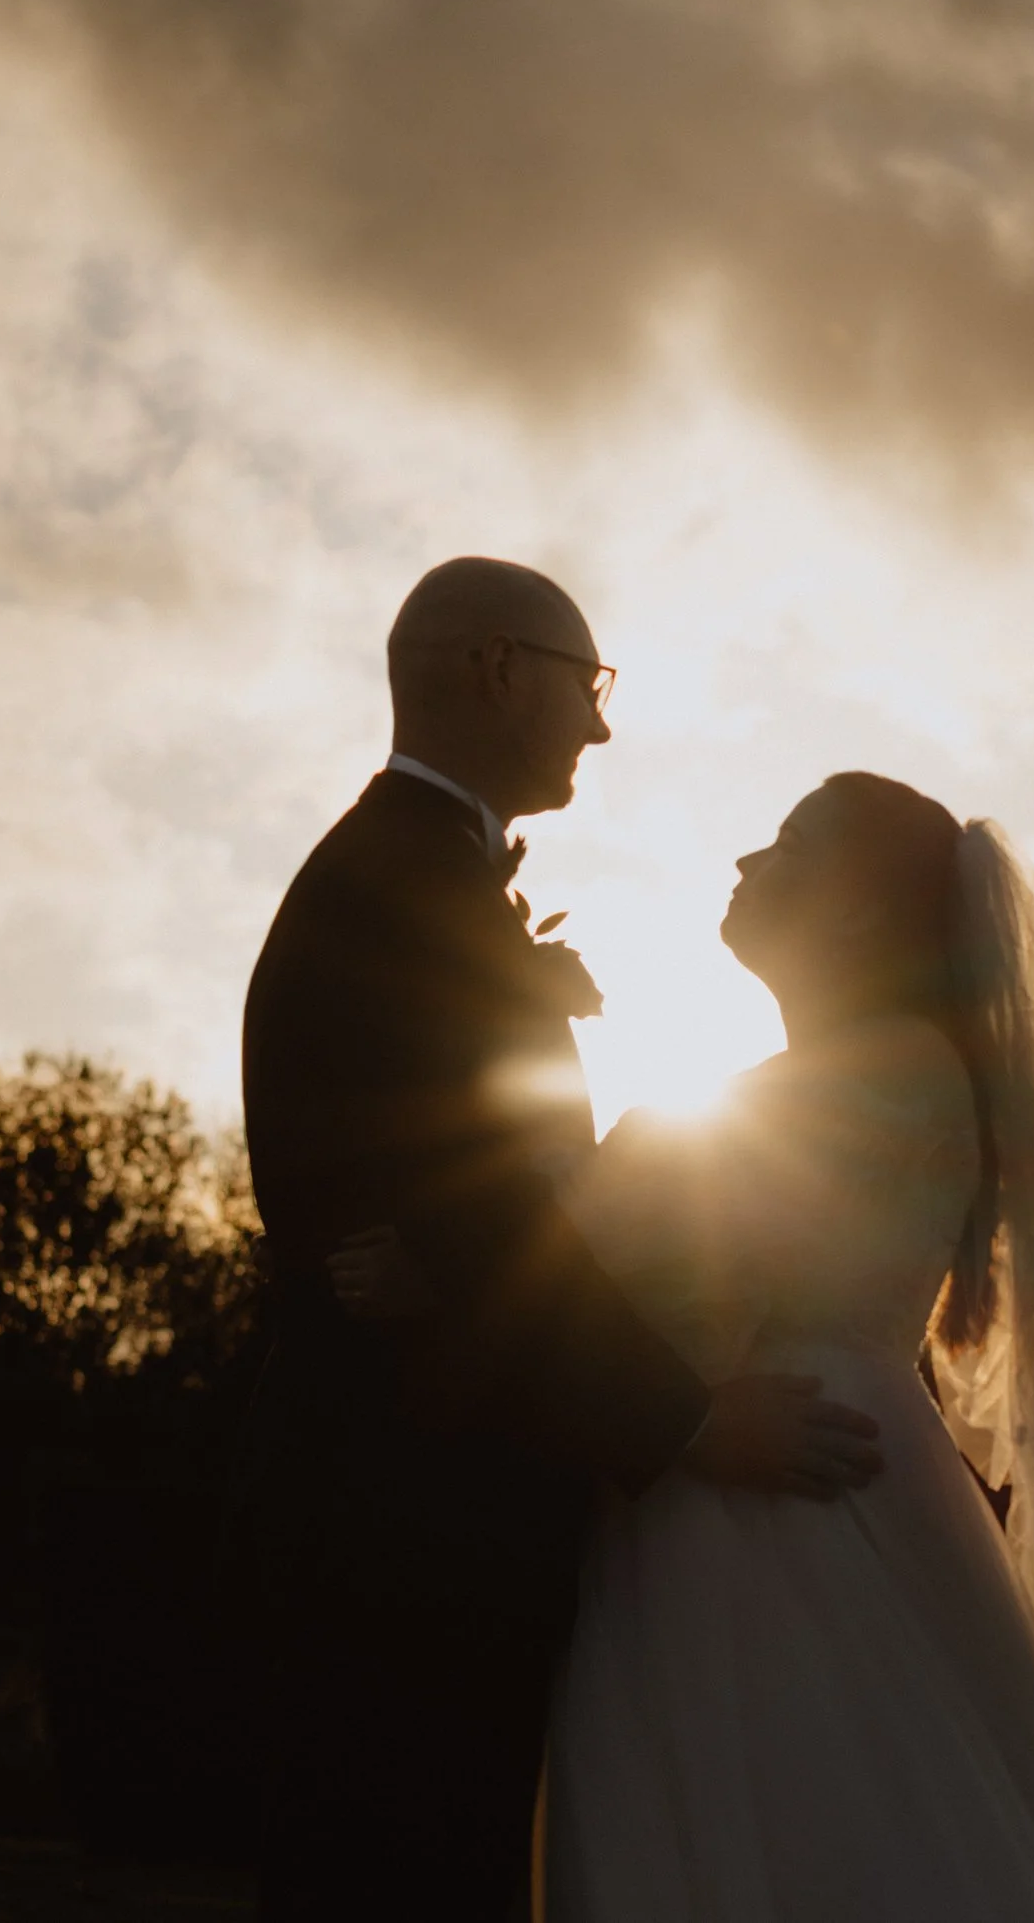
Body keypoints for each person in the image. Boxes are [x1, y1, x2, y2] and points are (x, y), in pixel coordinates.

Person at [338, 770, 1034, 1921]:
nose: (746, 862)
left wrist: (452, 1257)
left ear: (860, 910)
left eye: (787, 844)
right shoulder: (883, 1069)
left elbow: (662, 1242)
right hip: (787, 1461)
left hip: (786, 1492)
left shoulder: (892, 1072)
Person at [238, 560, 882, 1922]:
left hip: (418, 1499)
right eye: (588, 684)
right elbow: (481, 1214)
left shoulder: (419, 877)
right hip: (415, 1525)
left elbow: (466, 1204)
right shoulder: (407, 892)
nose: (600, 726)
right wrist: (691, 1418)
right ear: (494, 668)